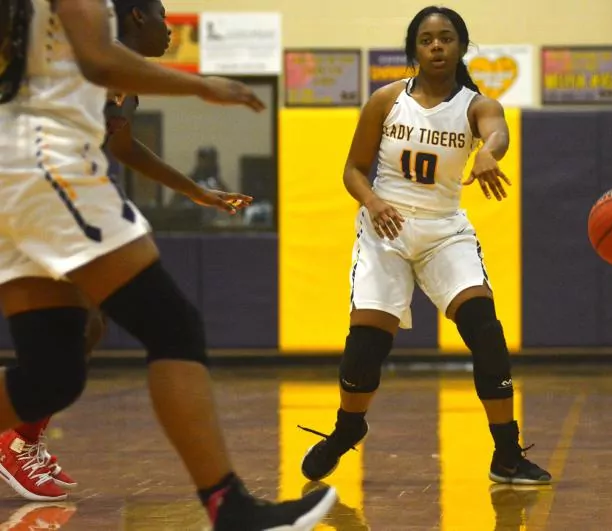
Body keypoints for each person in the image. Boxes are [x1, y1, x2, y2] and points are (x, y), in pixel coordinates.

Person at [0, 0, 336, 528]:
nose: (168, 25)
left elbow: (122, 138)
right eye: (159, 14)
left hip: (22, 170)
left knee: (52, 374)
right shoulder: (94, 43)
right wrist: (202, 86)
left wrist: (195, 190)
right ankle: (230, 506)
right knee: (172, 325)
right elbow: (99, 57)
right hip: (45, 165)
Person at [298, 5, 552, 486]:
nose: (437, 46)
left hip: (444, 232)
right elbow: (353, 170)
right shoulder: (386, 99)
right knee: (366, 346)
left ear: (461, 46)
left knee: (485, 332)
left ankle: (506, 455)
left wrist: (488, 155)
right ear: (414, 48)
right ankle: (347, 428)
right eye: (427, 39)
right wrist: (373, 201)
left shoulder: (477, 105)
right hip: (385, 229)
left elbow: (498, 132)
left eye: (446, 38)